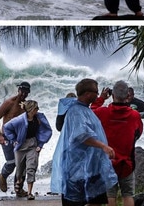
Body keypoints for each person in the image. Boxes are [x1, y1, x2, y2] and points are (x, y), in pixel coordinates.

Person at [51, 78, 118, 206]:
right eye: (96, 92)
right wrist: (103, 146)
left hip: (90, 167)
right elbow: (80, 135)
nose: (98, 95)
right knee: (75, 201)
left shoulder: (85, 109)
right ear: (87, 93)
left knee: (95, 200)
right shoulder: (75, 111)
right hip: (76, 168)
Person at [91, 81, 143, 206]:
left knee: (110, 195)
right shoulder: (134, 115)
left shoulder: (103, 112)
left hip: (108, 161)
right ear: (127, 96)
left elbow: (91, 111)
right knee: (128, 194)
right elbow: (138, 132)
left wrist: (102, 98)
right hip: (127, 162)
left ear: (112, 95)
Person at [3, 100, 53, 200]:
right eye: (36, 108)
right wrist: (13, 139)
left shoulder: (39, 117)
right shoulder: (19, 120)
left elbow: (47, 130)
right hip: (20, 146)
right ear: (31, 110)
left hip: (33, 145)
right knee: (19, 170)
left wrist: (40, 144)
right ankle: (19, 181)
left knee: (31, 168)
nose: (38, 110)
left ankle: (30, 192)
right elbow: (6, 127)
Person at [0, 81, 30, 192]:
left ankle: (18, 189)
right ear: (18, 90)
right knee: (12, 163)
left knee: (22, 164)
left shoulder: (26, 105)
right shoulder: (9, 103)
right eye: (22, 92)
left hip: (20, 139)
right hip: (7, 137)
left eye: (26, 92)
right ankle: (3, 176)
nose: (23, 94)